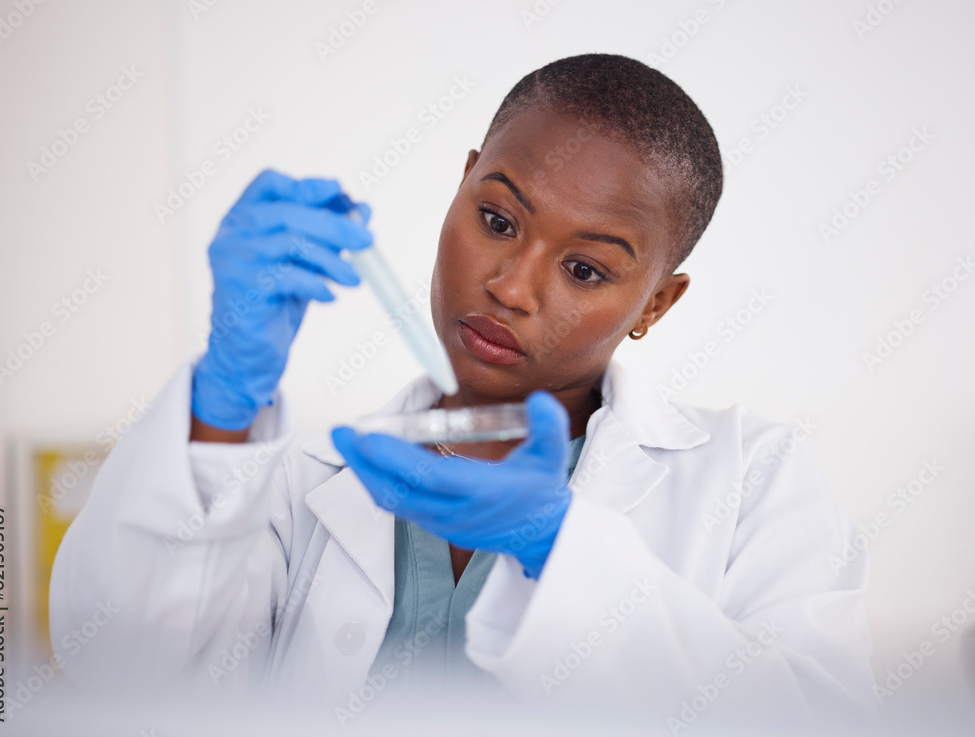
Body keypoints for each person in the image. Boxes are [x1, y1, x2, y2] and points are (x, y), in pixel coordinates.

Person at [50, 54, 875, 727]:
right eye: (497, 220)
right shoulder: (304, 477)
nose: (512, 286)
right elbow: (119, 676)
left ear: (654, 303)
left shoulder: (751, 480)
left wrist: (560, 548)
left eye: (585, 269)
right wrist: (222, 403)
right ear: (465, 181)